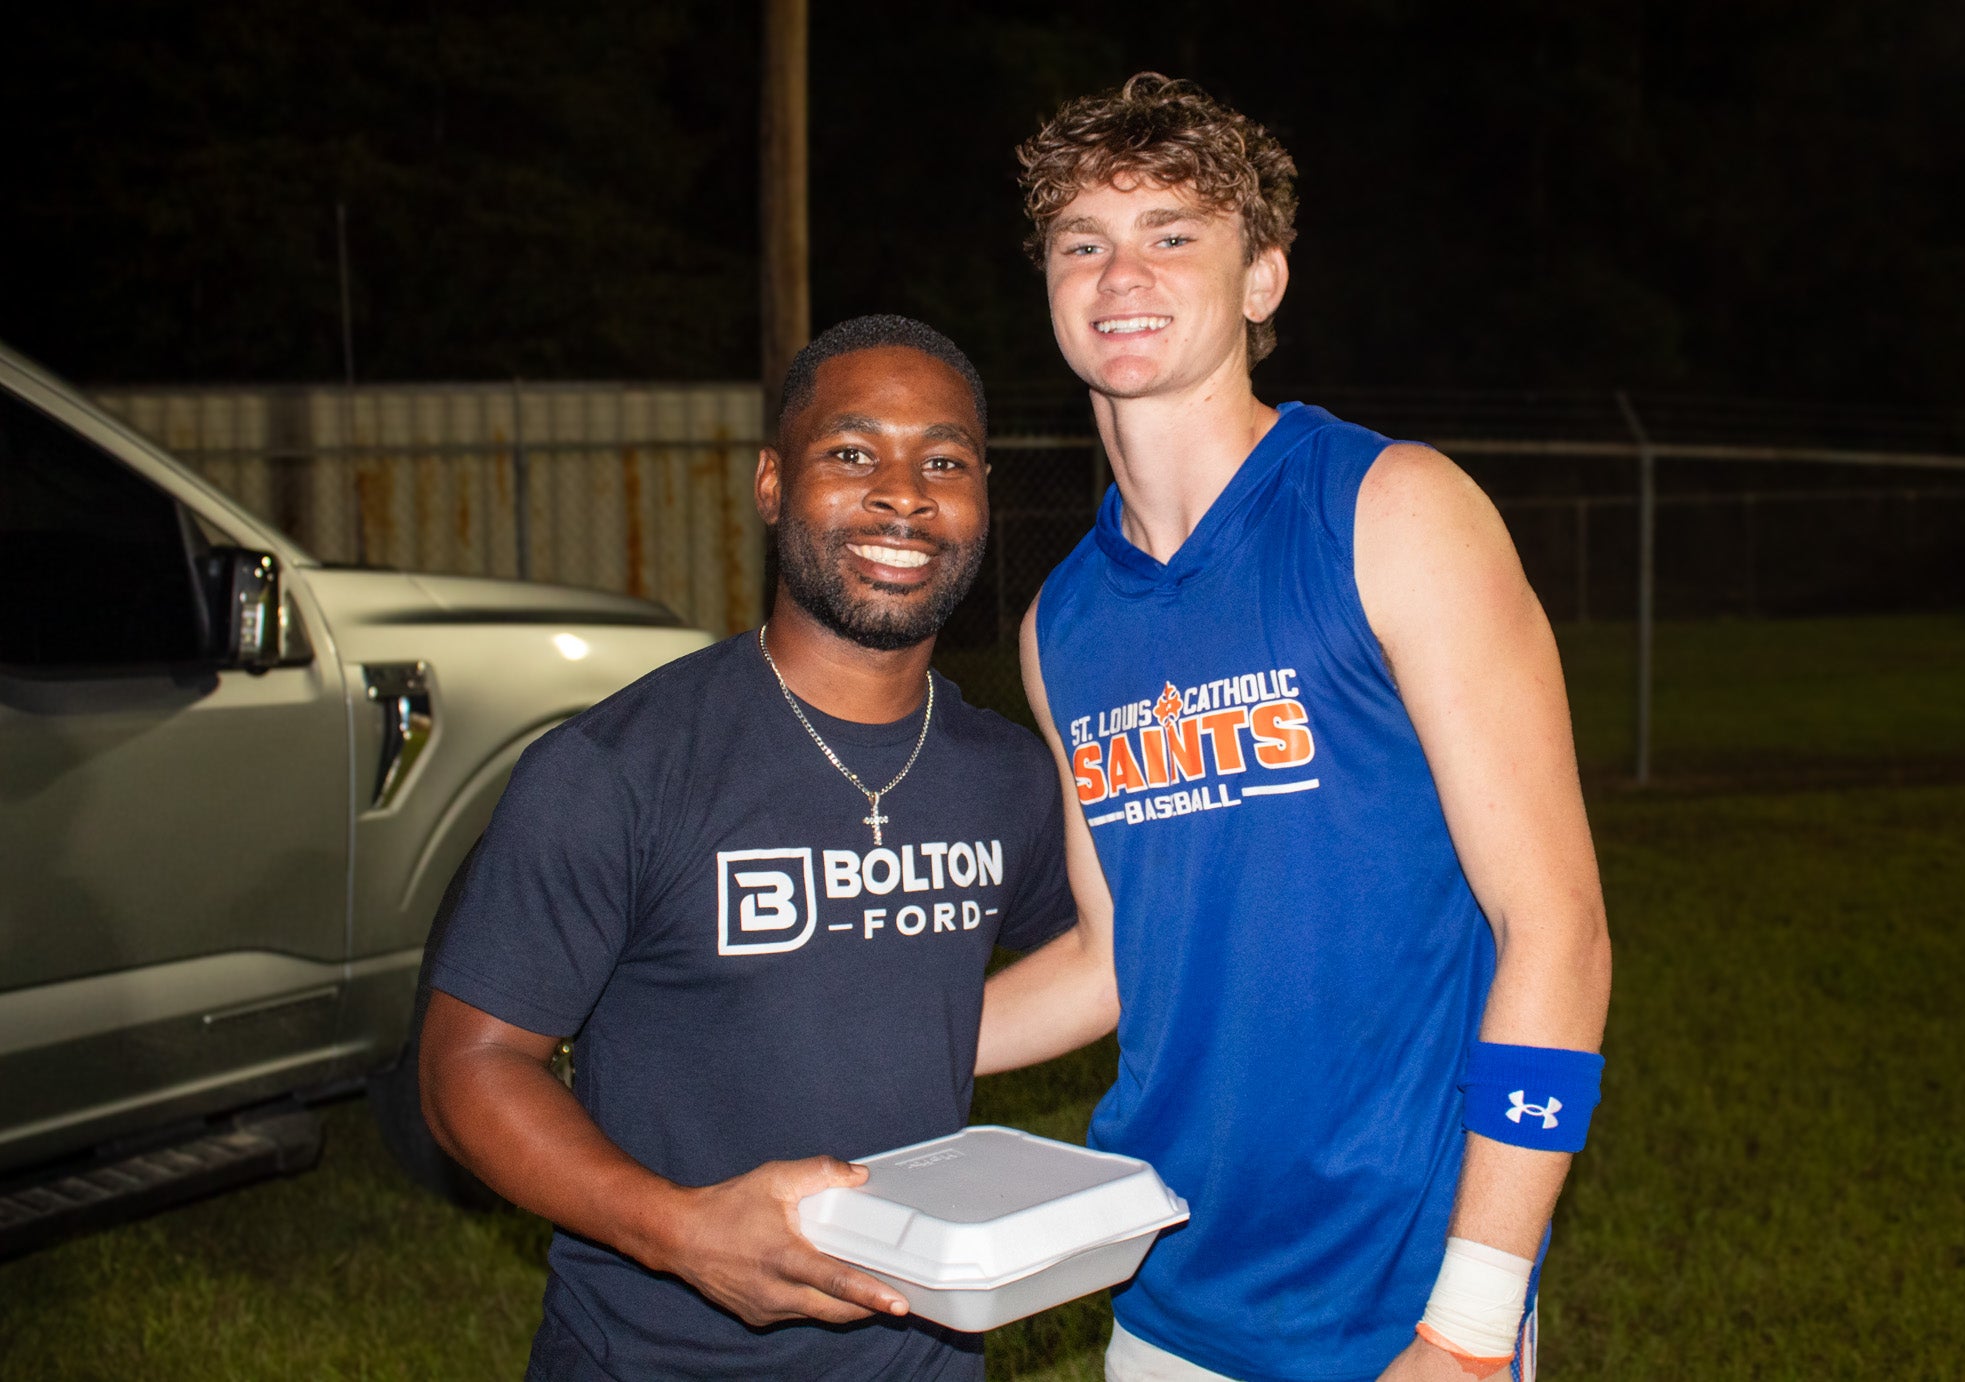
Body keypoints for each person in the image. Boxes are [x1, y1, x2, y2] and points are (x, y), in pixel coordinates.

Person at [976, 75, 1614, 1382]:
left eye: (1171, 233)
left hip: (1402, 1313)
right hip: (1166, 1289)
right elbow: (1109, 961)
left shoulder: (1393, 512)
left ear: (1262, 277)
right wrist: (837, 1038)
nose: (1119, 274)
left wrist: (1471, 1324)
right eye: (1082, 241)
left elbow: (1555, 928)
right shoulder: (1060, 624)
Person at [418, 314, 1076, 1381]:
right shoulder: (616, 768)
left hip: (924, 1356)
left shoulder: (1007, 776)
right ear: (773, 484)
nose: (902, 494)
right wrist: (679, 1231)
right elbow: (468, 1068)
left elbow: (1116, 957)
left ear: (983, 499)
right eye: (851, 454)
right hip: (651, 1358)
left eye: (943, 462)